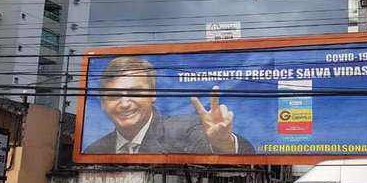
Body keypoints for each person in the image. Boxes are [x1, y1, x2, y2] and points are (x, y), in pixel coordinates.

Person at [84, 56, 254, 154]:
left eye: (135, 92)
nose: (125, 103)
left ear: (153, 94)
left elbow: (246, 152)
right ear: (103, 104)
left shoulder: (188, 129)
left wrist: (223, 143)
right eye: (114, 96)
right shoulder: (94, 150)